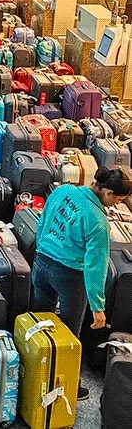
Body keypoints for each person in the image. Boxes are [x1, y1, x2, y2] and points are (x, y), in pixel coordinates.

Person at [32, 166, 132, 400]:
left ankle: (34, 372)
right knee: (69, 334)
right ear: (107, 193)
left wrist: (41, 249)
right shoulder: (97, 221)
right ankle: (70, 385)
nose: (116, 205)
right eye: (118, 200)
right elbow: (96, 266)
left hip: (42, 261)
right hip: (69, 276)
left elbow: (43, 220)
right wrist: (98, 308)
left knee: (39, 321)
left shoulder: (63, 191)